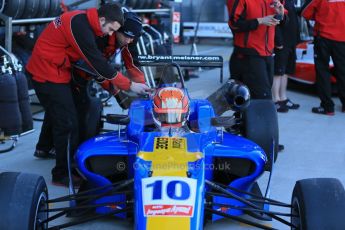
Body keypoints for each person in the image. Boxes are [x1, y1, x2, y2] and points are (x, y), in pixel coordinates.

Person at [26, 3, 150, 186]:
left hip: (61, 70)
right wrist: (127, 86)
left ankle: (53, 152)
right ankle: (62, 174)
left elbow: (121, 62)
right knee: (68, 122)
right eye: (110, 29)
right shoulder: (80, 26)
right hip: (47, 73)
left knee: (70, 112)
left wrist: (137, 84)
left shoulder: (92, 24)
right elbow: (96, 63)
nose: (109, 34)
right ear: (102, 20)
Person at [227, 0, 285, 99]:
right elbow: (234, 24)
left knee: (260, 97)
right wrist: (260, 21)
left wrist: (281, 14)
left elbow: (282, 23)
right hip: (248, 55)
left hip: (268, 54)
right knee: (262, 98)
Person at [302, 0, 345, 115]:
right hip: (342, 38)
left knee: (322, 72)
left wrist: (320, 15)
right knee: (343, 71)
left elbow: (304, 12)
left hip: (323, 37)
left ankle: (327, 107)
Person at [272, 0, 300, 112]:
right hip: (282, 43)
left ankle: (283, 98)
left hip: (291, 42)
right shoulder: (278, 1)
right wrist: (278, 41)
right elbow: (276, 20)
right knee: (278, 72)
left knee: (286, 71)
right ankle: (275, 100)